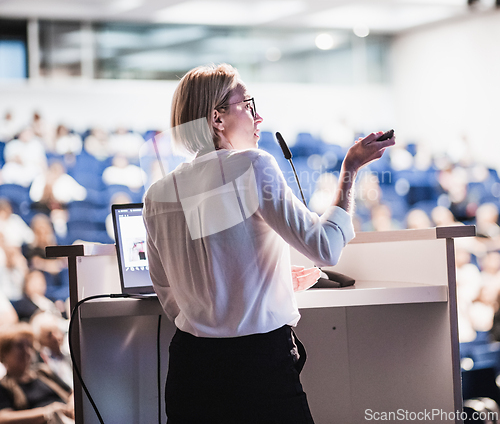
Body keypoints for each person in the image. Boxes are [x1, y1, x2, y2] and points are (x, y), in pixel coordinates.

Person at [143, 63, 394, 424]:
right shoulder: (253, 165)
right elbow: (325, 248)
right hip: (256, 368)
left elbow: (169, 289)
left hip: (189, 368)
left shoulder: (157, 193)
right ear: (217, 118)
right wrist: (350, 171)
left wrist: (260, 285)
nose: (259, 117)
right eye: (247, 104)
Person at [0, 322, 74, 423]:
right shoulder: (4, 385)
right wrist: (47, 413)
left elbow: (72, 393)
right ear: (4, 353)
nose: (27, 351)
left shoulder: (43, 372)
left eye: (29, 346)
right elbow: (3, 418)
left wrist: (72, 405)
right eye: (20, 346)